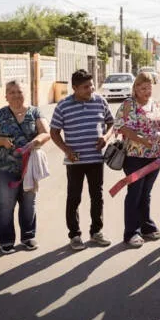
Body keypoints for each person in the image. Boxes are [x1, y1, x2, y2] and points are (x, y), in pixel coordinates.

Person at [0, 80, 50, 254]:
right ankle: (5, 240)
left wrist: (35, 142)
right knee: (5, 204)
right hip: (5, 169)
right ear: (6, 96)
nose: (15, 95)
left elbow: (45, 132)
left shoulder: (35, 112)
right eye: (11, 92)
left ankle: (28, 236)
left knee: (28, 203)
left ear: (25, 93)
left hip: (29, 167)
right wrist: (1, 141)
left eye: (19, 91)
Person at [50, 69, 114, 251]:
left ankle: (96, 232)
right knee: (74, 197)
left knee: (97, 197)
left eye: (92, 85)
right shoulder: (63, 106)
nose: (91, 89)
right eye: (86, 87)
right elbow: (54, 132)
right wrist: (66, 150)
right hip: (75, 160)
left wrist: (106, 137)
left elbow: (111, 122)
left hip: (96, 159)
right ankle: (75, 235)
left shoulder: (100, 101)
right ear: (75, 88)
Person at [113, 72, 160, 248]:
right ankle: (131, 232)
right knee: (135, 193)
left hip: (154, 156)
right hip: (135, 157)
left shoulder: (155, 104)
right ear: (135, 88)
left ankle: (146, 226)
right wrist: (143, 140)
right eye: (143, 88)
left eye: (149, 88)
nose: (147, 91)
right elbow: (121, 127)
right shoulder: (128, 105)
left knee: (146, 193)